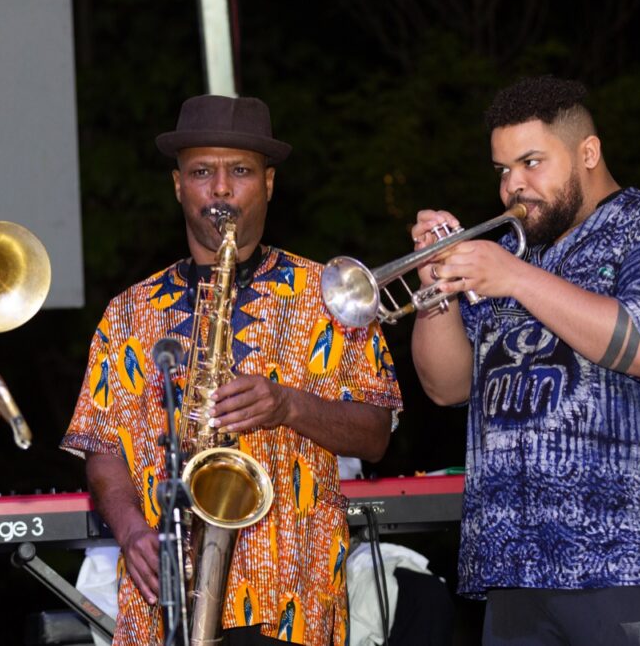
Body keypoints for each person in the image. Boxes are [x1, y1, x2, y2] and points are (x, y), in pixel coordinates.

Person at [61, 94, 402, 645]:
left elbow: (375, 435)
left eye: (240, 171)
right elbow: (101, 448)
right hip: (164, 601)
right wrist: (132, 533)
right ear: (178, 186)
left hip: (296, 598)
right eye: (202, 172)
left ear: (269, 183)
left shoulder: (333, 297)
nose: (220, 189)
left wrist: (290, 405)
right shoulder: (127, 311)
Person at [411, 76, 640, 645]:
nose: (513, 186)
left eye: (531, 163)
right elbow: (447, 386)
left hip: (631, 557)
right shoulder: (509, 256)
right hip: (511, 563)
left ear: (588, 153)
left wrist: (516, 278)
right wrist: (436, 290)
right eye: (503, 170)